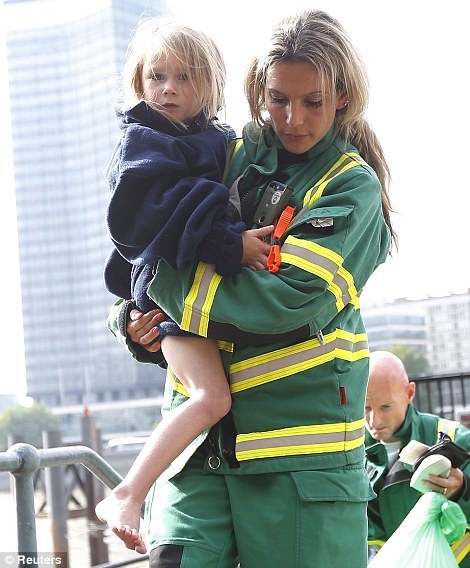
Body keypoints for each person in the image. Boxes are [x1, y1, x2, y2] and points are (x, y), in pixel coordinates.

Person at [107, 9, 395, 567]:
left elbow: (282, 302)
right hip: (196, 460)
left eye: (313, 101)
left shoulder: (350, 187)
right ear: (257, 92)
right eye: (278, 98)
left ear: (343, 97)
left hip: (297, 466)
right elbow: (145, 241)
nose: (292, 118)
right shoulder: (225, 152)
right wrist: (130, 319)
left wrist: (162, 281)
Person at [96, 18, 274, 554]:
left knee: (213, 395)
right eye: (157, 77)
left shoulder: (213, 140)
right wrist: (231, 246)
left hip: (192, 291)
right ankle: (126, 493)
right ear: (139, 83)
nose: (168, 88)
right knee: (210, 397)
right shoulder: (145, 146)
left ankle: (132, 493)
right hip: (167, 289)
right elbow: (162, 216)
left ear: (210, 85)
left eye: (184, 77)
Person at [365, 350, 470, 565]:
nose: (374, 420)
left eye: (386, 406)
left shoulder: (458, 439)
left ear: (410, 393)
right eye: (365, 408)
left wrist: (463, 488)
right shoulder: (350, 455)